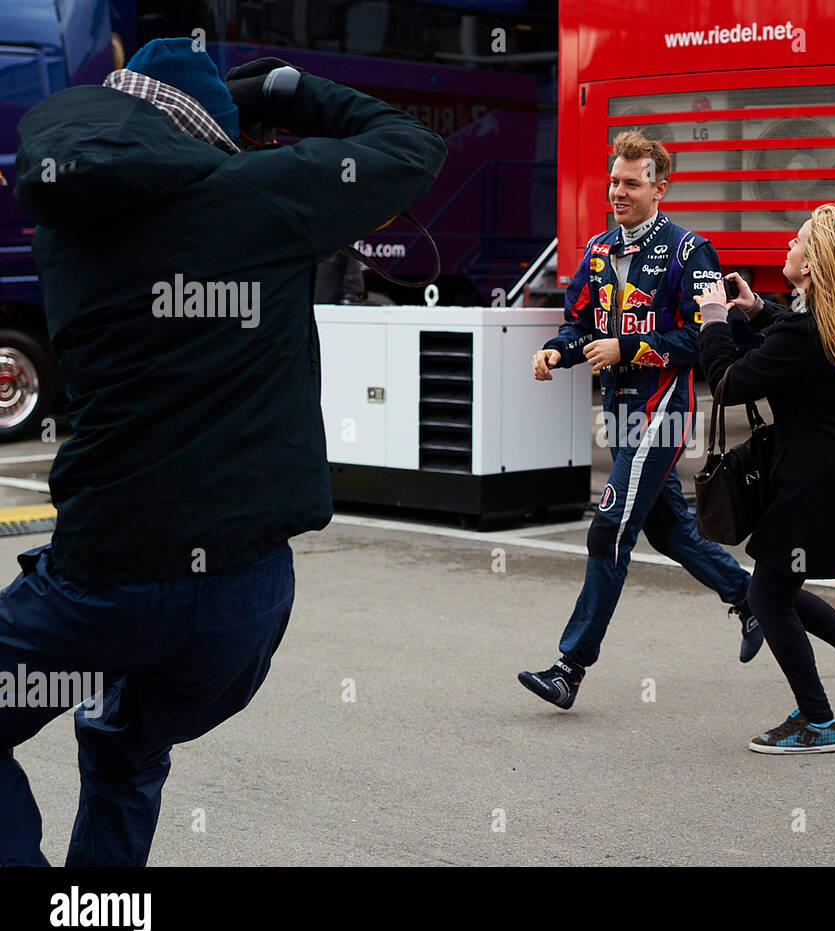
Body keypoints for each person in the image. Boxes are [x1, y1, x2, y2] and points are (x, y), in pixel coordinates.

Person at [4, 39, 445, 865]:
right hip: (239, 608)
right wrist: (289, 87)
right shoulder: (256, 196)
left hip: (99, 592)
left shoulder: (62, 216)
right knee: (127, 753)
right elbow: (409, 146)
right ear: (212, 127)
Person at [518, 130, 762, 711]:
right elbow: (579, 324)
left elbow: (708, 337)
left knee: (609, 529)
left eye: (631, 182)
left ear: (660, 187)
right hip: (620, 413)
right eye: (613, 181)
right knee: (669, 530)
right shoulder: (598, 249)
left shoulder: (691, 250)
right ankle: (750, 597)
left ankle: (569, 670)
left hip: (664, 413)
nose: (618, 192)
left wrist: (626, 350)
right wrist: (557, 350)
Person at [696, 204, 835, 753]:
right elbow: (791, 342)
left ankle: (817, 721)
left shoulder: (809, 333)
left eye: (798, 240)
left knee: (766, 596)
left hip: (808, 486)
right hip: (831, 479)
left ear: (812, 264)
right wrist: (756, 308)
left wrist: (716, 317)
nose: (789, 243)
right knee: (776, 588)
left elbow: (727, 384)